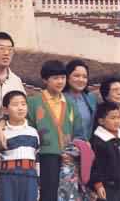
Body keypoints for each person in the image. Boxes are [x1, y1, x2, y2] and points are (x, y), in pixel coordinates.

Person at [26, 60, 83, 201]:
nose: (60, 82)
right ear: (45, 80)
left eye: (63, 78)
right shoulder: (33, 102)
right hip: (44, 157)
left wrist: (72, 153)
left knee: (67, 195)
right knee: (48, 194)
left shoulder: (70, 104)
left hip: (68, 159)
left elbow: (78, 132)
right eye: (55, 78)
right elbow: (29, 129)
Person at [0, 91, 39, 201]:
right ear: (5, 109)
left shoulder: (33, 132)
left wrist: (39, 182)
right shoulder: (1, 133)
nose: (20, 108)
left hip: (30, 177)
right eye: (15, 105)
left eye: (23, 104)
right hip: (7, 177)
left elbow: (37, 158)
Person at [90, 101, 120, 201]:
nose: (117, 121)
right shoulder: (97, 141)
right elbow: (94, 165)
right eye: (112, 118)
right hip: (107, 188)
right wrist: (98, 184)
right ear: (101, 121)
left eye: (118, 117)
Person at [64, 59, 98, 140]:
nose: (81, 80)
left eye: (85, 77)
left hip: (87, 146)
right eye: (76, 76)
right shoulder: (60, 98)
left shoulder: (91, 98)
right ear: (67, 77)